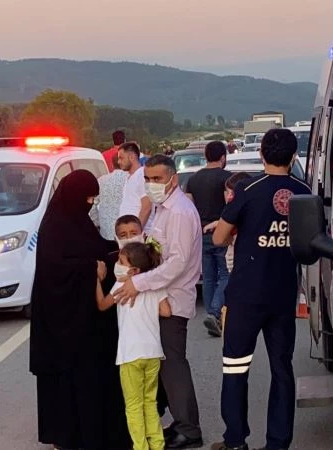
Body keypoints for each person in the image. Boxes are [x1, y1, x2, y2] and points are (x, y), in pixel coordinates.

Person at [210, 129, 311, 450]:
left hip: (246, 295)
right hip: (283, 293)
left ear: (263, 155)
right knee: (282, 369)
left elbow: (218, 238)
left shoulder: (248, 190)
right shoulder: (303, 191)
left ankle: (235, 440)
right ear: (293, 156)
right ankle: (278, 443)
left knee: (236, 367)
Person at [29, 170, 130, 450]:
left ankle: (95, 430)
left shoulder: (78, 222)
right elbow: (54, 270)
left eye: (93, 198)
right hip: (61, 324)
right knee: (67, 379)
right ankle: (65, 436)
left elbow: (95, 248)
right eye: (86, 197)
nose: (89, 203)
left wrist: (124, 250)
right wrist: (89, 268)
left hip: (85, 322)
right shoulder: (55, 226)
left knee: (91, 377)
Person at [113, 155, 203, 449]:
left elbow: (177, 263)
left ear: (172, 179)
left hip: (172, 301)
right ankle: (181, 422)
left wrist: (138, 283)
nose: (151, 184)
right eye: (148, 179)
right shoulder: (162, 209)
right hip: (161, 299)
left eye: (157, 179)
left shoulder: (179, 212)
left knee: (173, 365)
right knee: (167, 366)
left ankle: (189, 430)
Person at [96, 239, 172, 450]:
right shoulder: (153, 285)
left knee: (133, 406)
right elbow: (166, 311)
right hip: (153, 353)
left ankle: (140, 446)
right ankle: (157, 444)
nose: (118, 265)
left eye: (121, 261)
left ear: (134, 269)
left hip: (130, 355)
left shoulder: (121, 285)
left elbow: (103, 305)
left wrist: (97, 279)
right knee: (150, 401)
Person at [185, 141, 231, 337]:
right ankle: (214, 313)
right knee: (226, 274)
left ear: (205, 156)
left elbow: (189, 208)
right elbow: (231, 205)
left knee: (209, 276)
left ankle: (214, 317)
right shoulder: (227, 178)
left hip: (201, 233)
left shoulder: (193, 180)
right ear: (223, 157)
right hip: (222, 232)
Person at [118, 141, 153, 231]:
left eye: (121, 158)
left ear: (132, 157)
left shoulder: (141, 175)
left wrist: (137, 231)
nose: (119, 162)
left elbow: (147, 206)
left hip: (139, 233)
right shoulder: (129, 177)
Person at [97, 152, 129, 240]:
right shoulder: (131, 179)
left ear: (112, 164)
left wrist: (98, 223)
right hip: (127, 233)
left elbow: (93, 205)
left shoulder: (101, 180)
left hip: (106, 233)